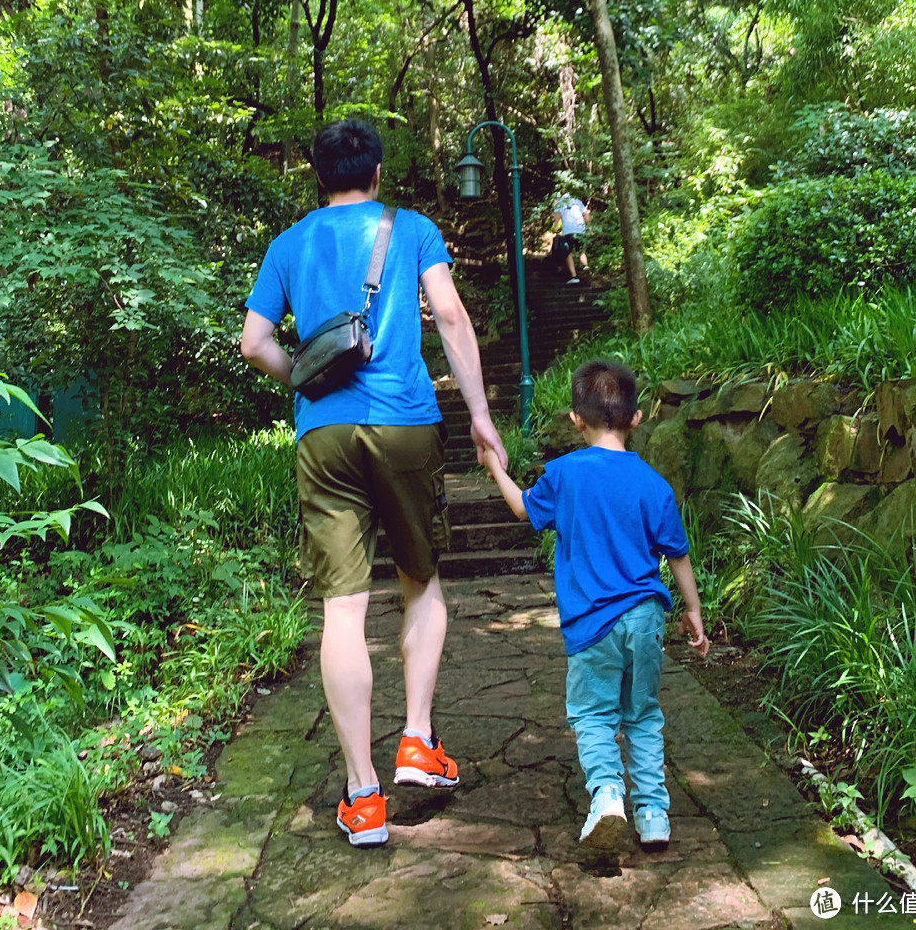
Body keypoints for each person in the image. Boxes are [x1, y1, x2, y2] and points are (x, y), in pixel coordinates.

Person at [240, 119, 507, 849]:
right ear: (378, 174)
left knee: (342, 607)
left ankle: (362, 796)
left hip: (322, 435)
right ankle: (417, 742)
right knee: (421, 579)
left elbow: (254, 342)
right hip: (406, 424)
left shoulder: (289, 243)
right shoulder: (412, 228)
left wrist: (304, 381)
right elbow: (449, 316)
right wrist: (481, 418)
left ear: (318, 175)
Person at [482, 358, 709, 853]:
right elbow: (678, 554)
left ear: (575, 418)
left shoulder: (564, 475)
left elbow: (524, 508)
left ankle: (607, 794)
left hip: (591, 625)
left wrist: (496, 468)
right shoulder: (655, 484)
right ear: (637, 418)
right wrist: (692, 610)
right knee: (643, 714)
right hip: (646, 616)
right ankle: (653, 815)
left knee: (592, 715)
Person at [553, 191, 590, 284]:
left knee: (568, 253)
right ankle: (585, 266)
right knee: (581, 250)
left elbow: (558, 215)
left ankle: (574, 276)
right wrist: (589, 226)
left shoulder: (560, 203)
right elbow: (586, 214)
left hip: (568, 230)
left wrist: (555, 226)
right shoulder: (577, 201)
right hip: (580, 229)